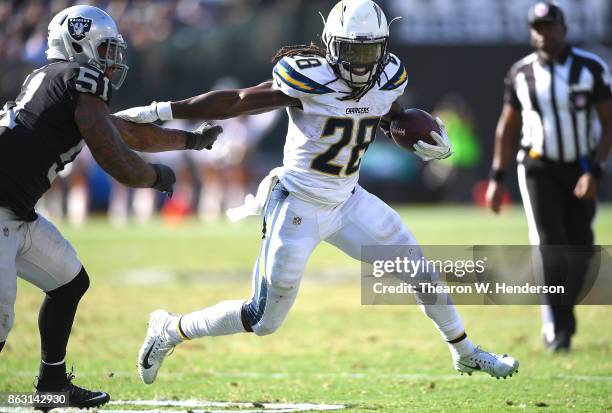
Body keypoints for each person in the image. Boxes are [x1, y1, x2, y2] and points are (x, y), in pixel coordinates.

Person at [115, 0, 519, 384]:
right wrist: (162, 110)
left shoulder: (389, 76)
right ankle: (170, 327)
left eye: (369, 52)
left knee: (420, 271)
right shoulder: (308, 77)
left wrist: (420, 134)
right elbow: (238, 101)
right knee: (263, 319)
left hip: (348, 199)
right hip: (298, 202)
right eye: (352, 52)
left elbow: (390, 116)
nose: (362, 64)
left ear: (382, 48)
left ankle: (463, 350)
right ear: (331, 46)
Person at [0, 5, 221, 409]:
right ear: (77, 42)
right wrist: (155, 177)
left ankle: (52, 386)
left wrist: (190, 142)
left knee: (69, 282)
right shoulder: (76, 79)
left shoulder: (57, 81)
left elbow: (126, 132)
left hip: (15, 212)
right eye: (104, 49)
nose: (111, 59)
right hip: (1, 210)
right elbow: (111, 153)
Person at [486, 1, 611, 351]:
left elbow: (608, 123)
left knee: (582, 249)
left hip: (580, 168)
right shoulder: (520, 73)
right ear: (531, 33)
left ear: (564, 29)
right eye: (538, 29)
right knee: (550, 243)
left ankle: (562, 315)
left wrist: (596, 170)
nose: (544, 34)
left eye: (550, 27)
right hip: (538, 166)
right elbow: (507, 127)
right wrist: (497, 177)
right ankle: (557, 325)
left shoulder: (590, 69)